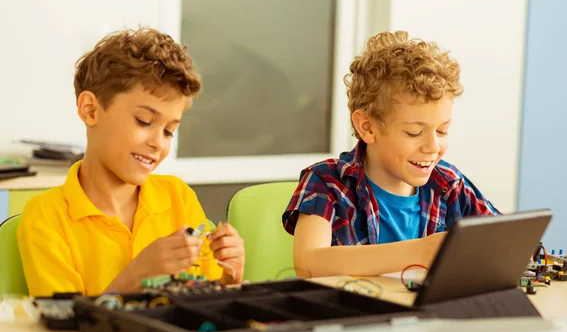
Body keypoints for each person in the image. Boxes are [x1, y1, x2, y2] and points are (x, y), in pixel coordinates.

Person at [18, 27, 245, 296]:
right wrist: (137, 275)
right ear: (90, 110)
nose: (158, 143)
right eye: (144, 121)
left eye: (169, 131)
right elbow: (64, 328)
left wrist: (231, 277)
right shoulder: (46, 218)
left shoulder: (178, 198)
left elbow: (208, 300)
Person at [282, 30, 499, 278]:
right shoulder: (327, 183)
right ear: (368, 127)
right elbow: (309, 263)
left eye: (442, 130)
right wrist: (420, 252)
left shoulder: (449, 185)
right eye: (414, 133)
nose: (432, 146)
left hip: (428, 316)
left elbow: (508, 243)